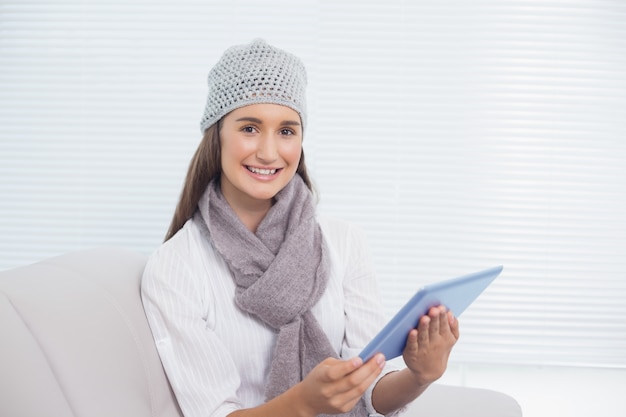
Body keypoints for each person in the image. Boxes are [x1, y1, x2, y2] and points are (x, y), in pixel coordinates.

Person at [141, 38, 459, 417]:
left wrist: (419, 376)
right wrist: (302, 403)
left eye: (287, 131)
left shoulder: (345, 242)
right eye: (249, 128)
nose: (269, 152)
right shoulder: (176, 267)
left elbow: (370, 390)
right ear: (217, 135)